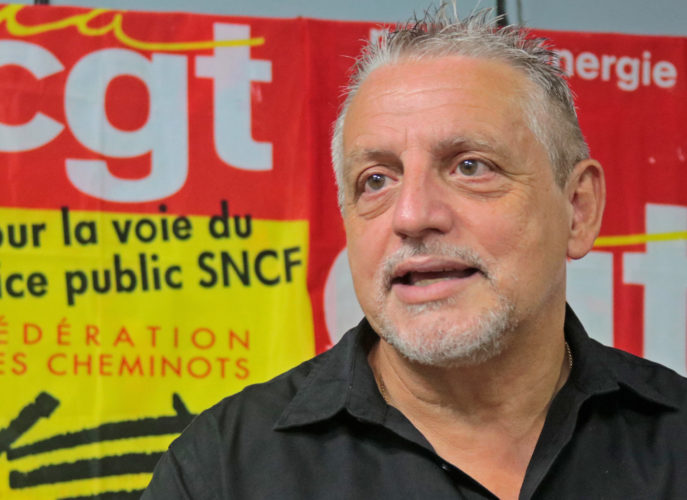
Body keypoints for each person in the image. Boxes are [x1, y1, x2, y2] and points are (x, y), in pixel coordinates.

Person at [143, 7, 687, 499]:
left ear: (578, 209)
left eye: (470, 166)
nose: (411, 215)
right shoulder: (222, 471)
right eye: (376, 180)